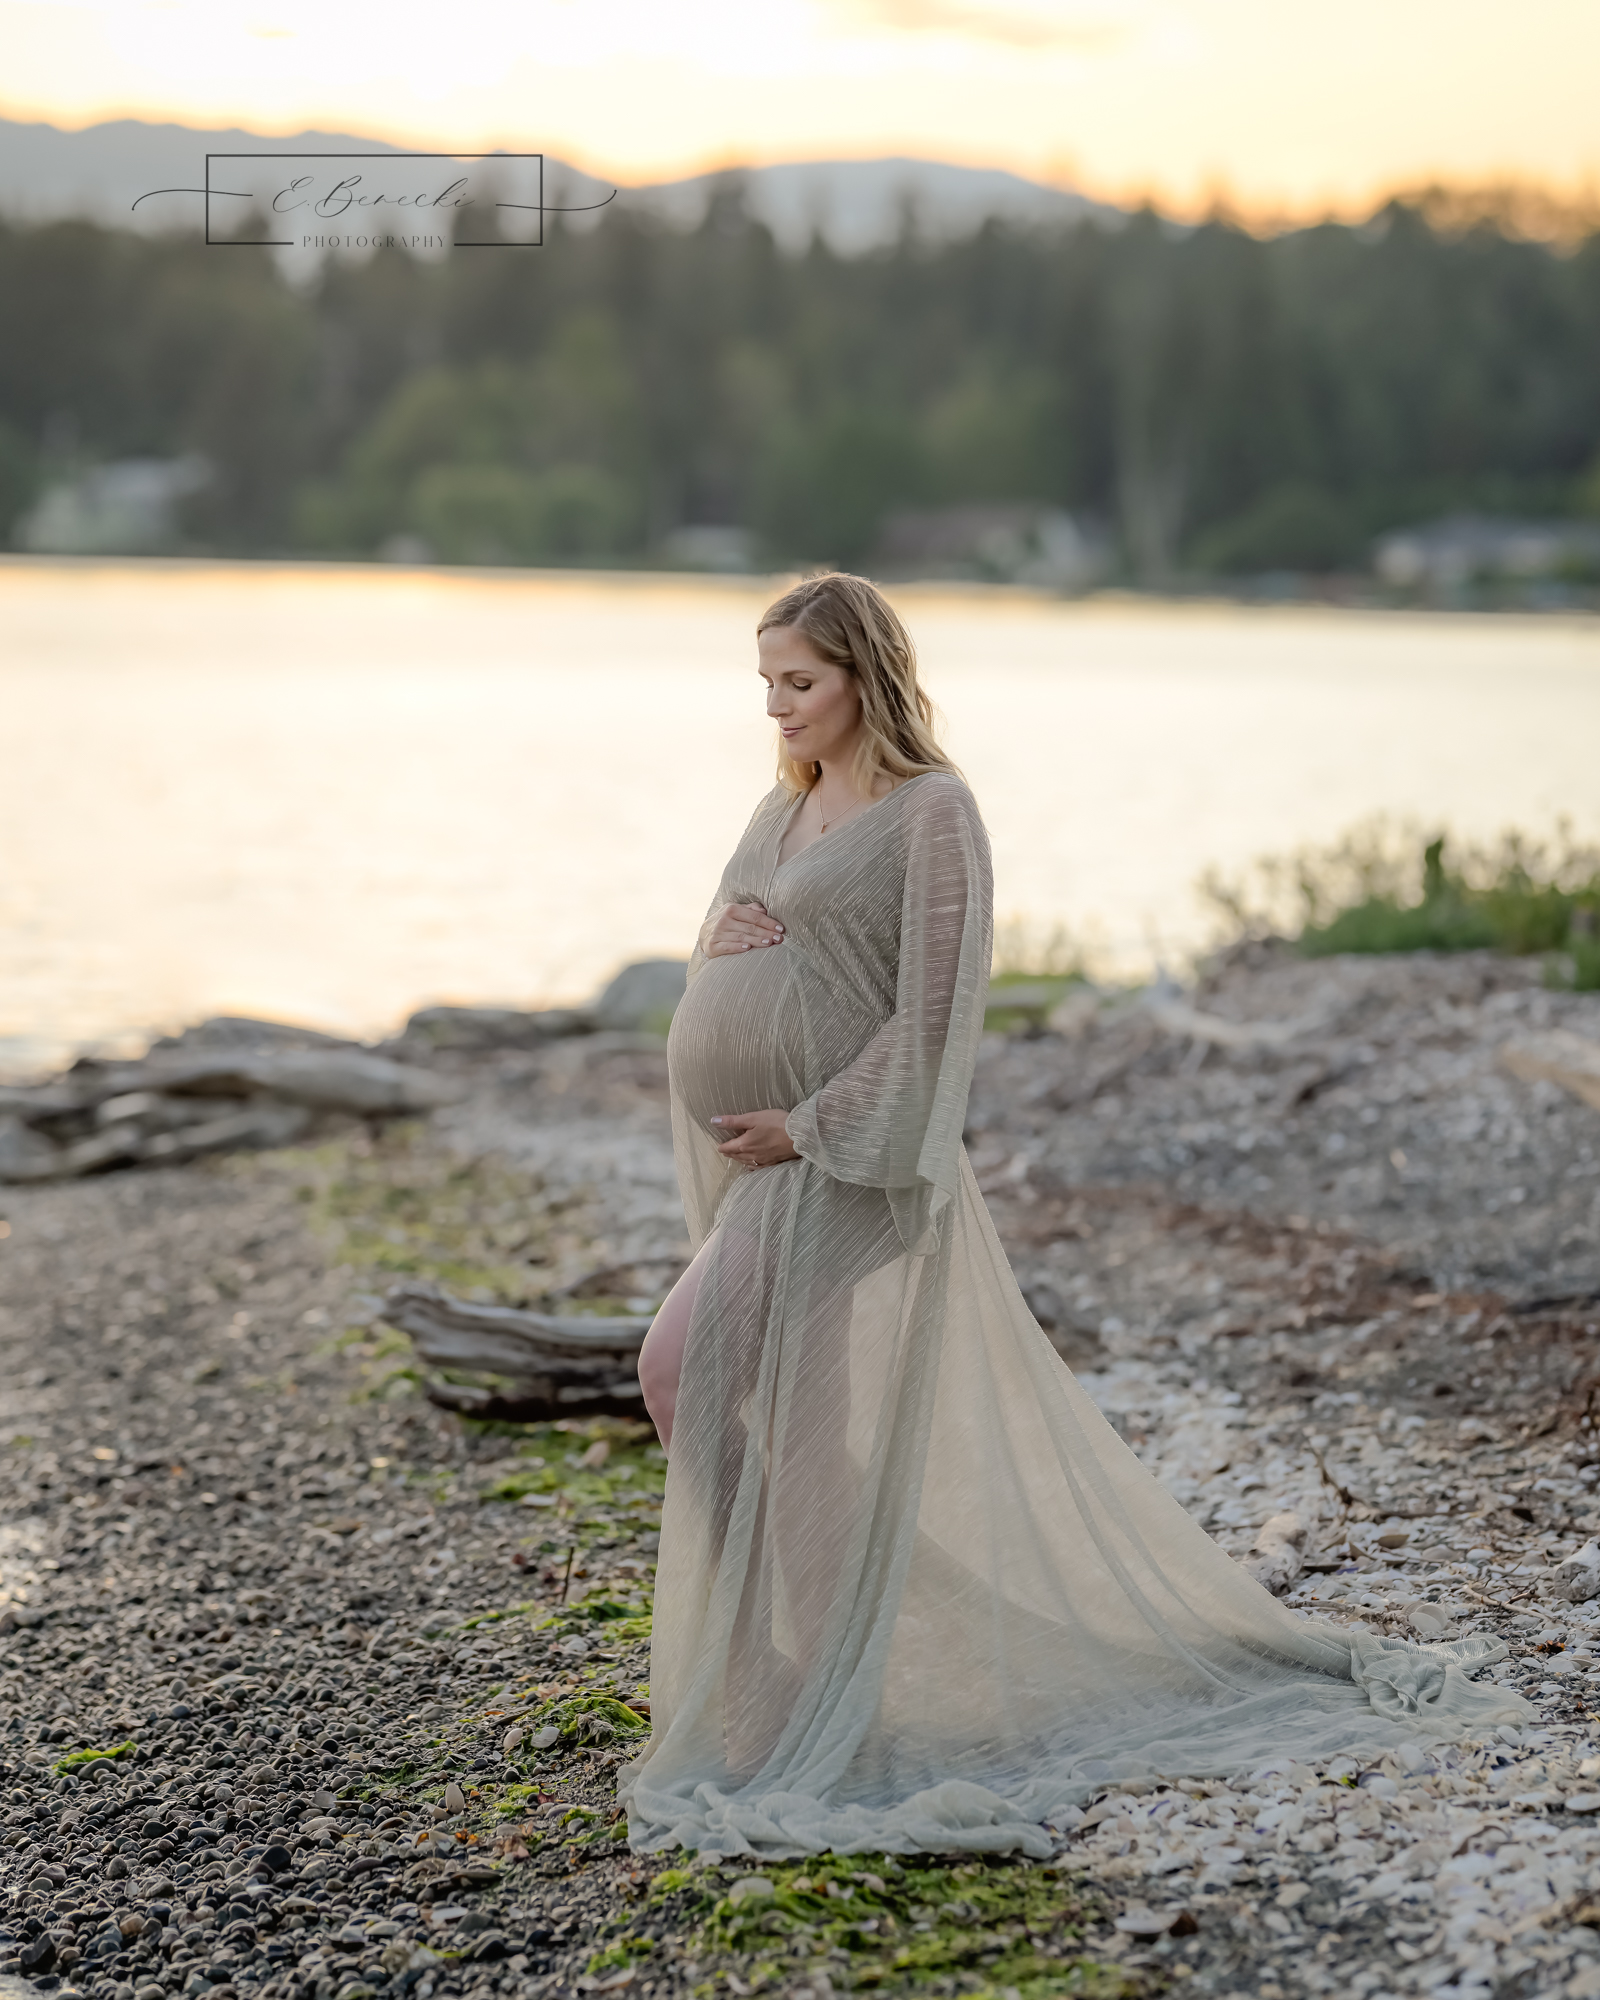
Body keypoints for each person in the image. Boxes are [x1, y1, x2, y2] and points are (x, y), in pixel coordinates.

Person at [619, 571, 1529, 1860]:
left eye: (799, 683)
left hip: (844, 1163)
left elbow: (939, 1016)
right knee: (806, 1426)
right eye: (765, 683)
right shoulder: (790, 798)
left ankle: (775, 1665)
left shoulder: (936, 813)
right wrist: (736, 947)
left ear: (866, 676)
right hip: (765, 1161)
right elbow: (733, 931)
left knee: (676, 1369)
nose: (776, 707)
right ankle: (821, 1678)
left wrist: (809, 1123)